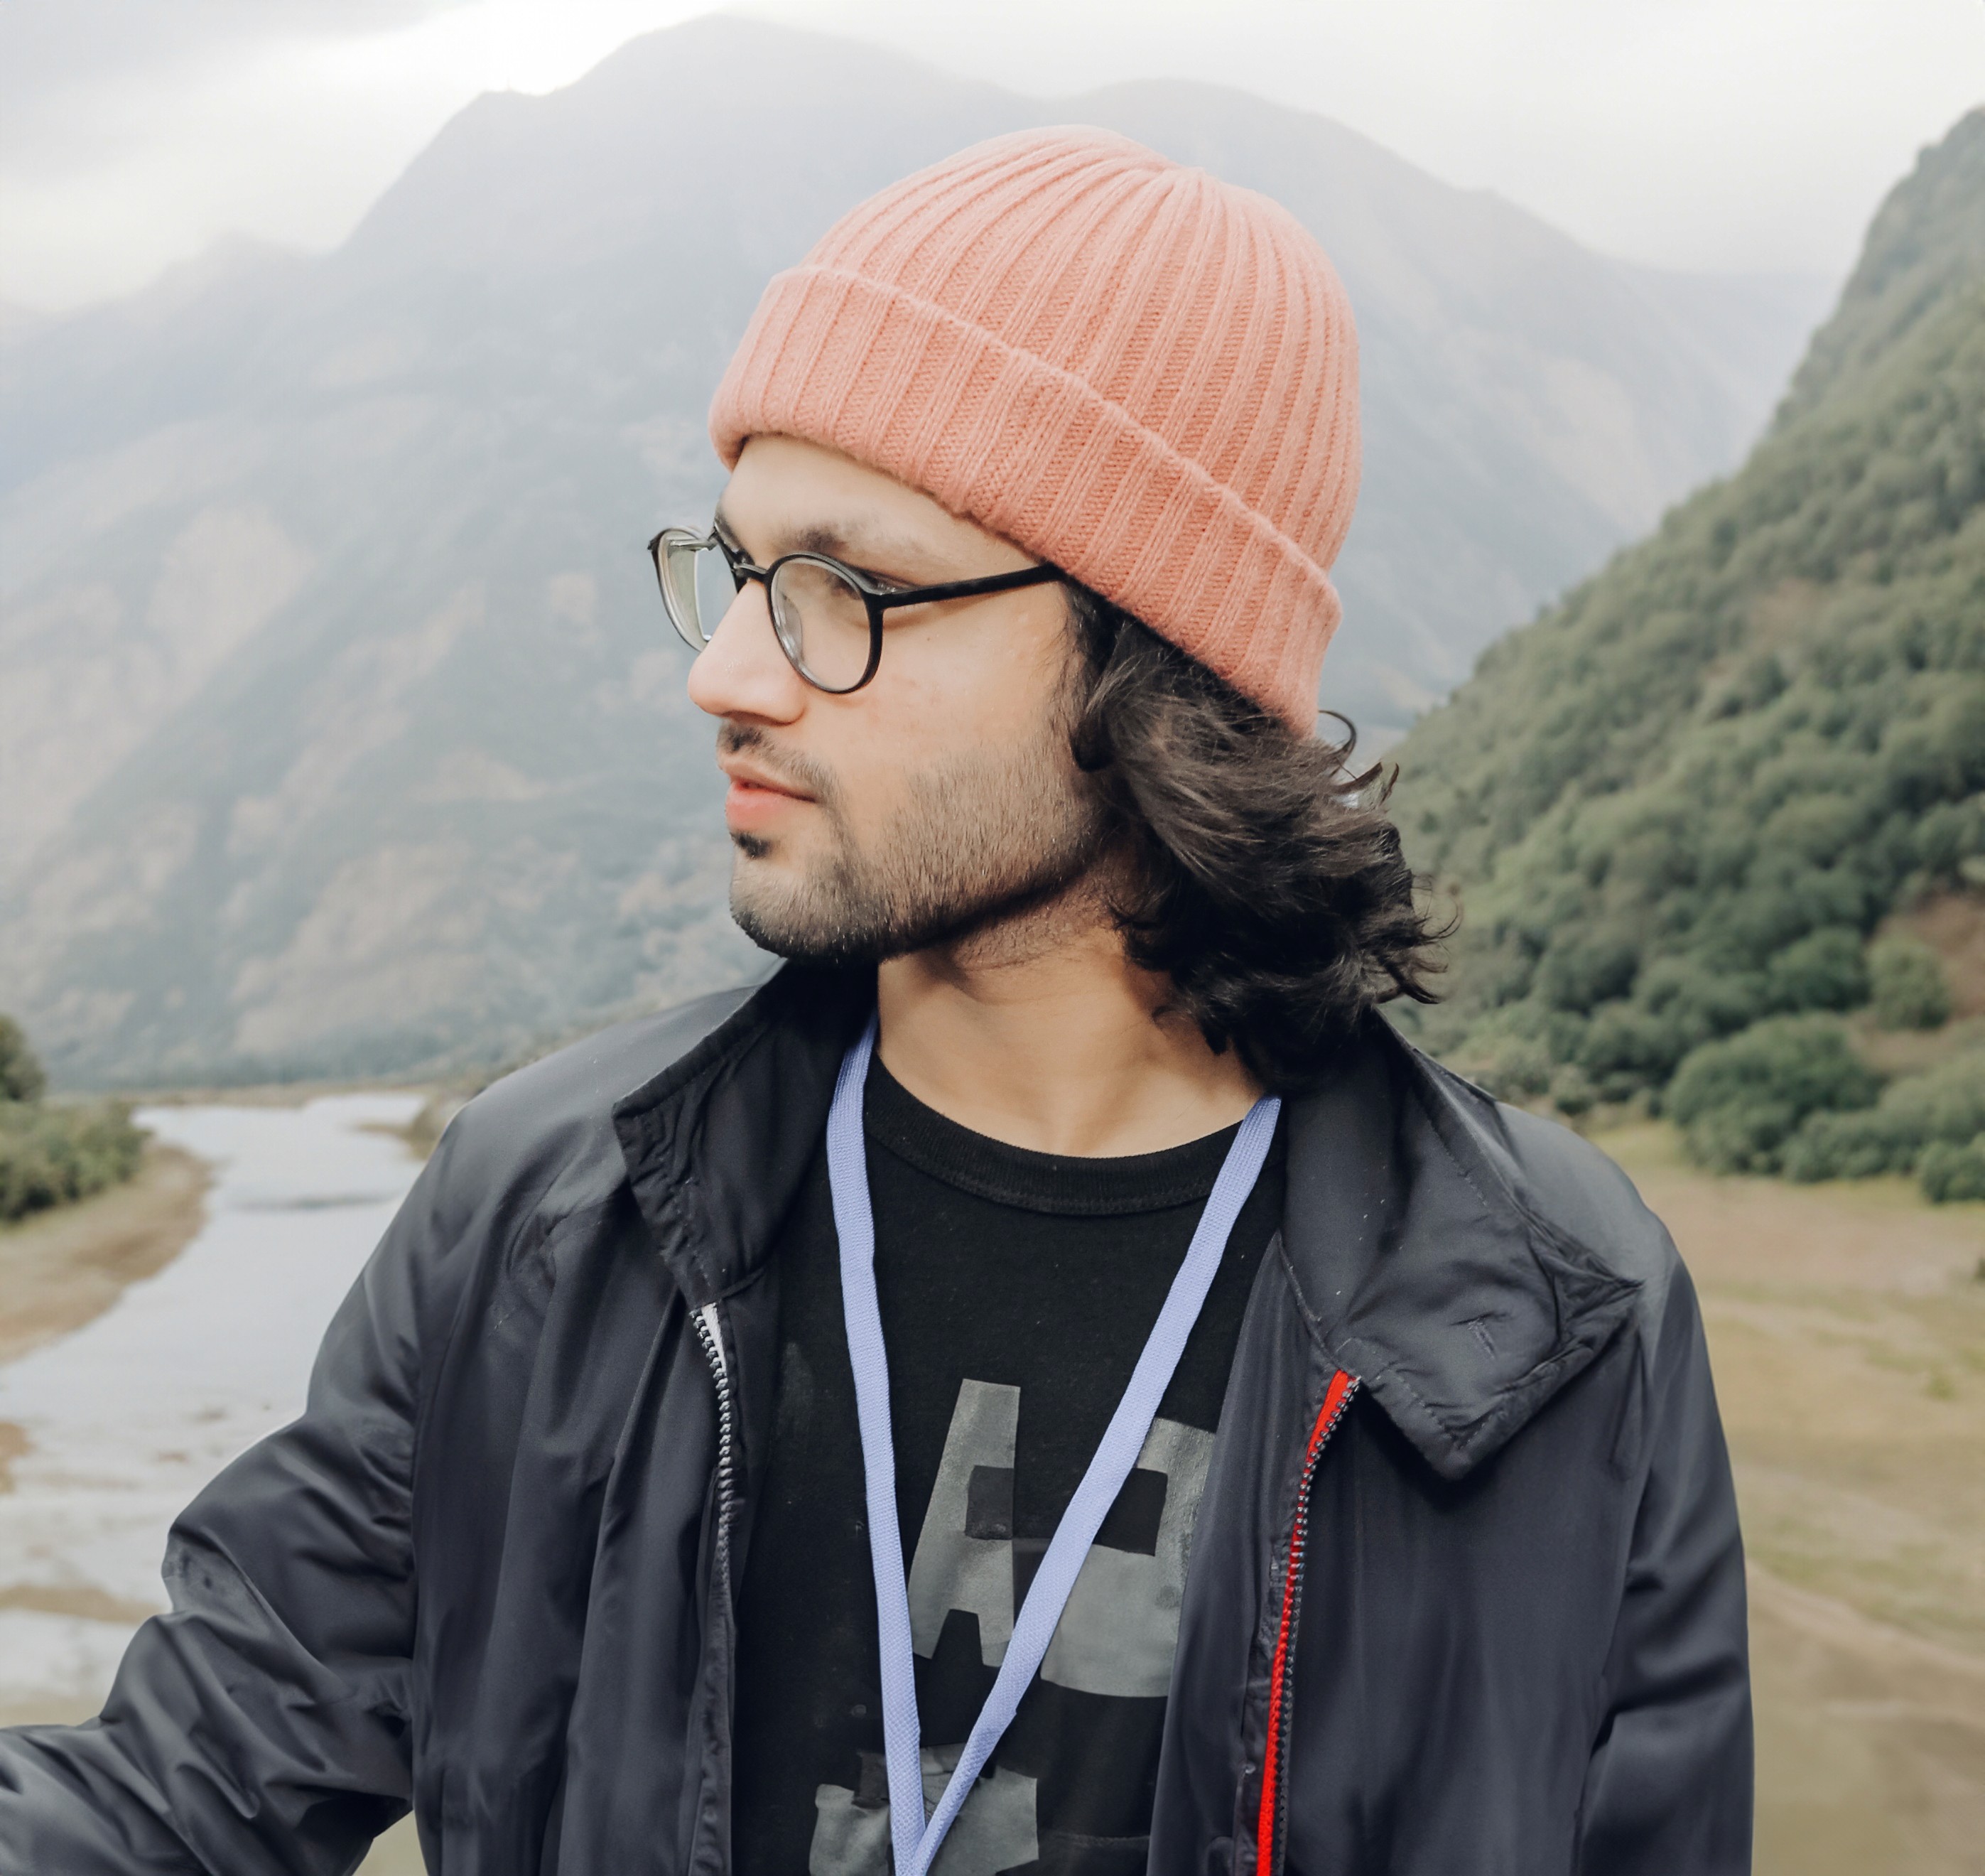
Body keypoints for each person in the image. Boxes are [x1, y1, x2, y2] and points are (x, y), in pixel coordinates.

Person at [0, 129, 1749, 1876]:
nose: (725, 673)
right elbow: (175, 1805)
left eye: (844, 589)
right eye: (736, 569)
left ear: (1148, 649)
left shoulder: (1551, 1321)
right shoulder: (549, 1216)